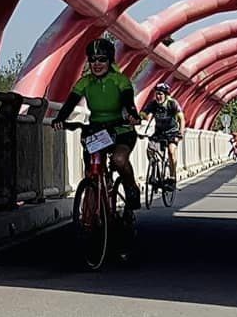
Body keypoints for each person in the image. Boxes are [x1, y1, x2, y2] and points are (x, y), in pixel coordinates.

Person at [54, 37, 144, 221]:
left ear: (110, 60)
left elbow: (128, 102)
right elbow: (69, 103)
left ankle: (131, 187)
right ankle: (94, 201)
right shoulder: (84, 82)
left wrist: (133, 116)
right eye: (92, 60)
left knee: (119, 160)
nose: (96, 64)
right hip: (97, 131)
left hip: (121, 130)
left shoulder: (120, 81)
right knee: (92, 169)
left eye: (102, 59)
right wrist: (60, 119)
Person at [141, 82, 184, 190]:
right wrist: (143, 126)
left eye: (160, 94)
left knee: (171, 151)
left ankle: (172, 178)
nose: (158, 96)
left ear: (165, 94)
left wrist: (181, 133)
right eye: (157, 94)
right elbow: (147, 116)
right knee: (150, 149)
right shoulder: (153, 104)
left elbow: (181, 119)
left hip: (172, 132)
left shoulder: (172, 103)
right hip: (158, 131)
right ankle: (154, 170)